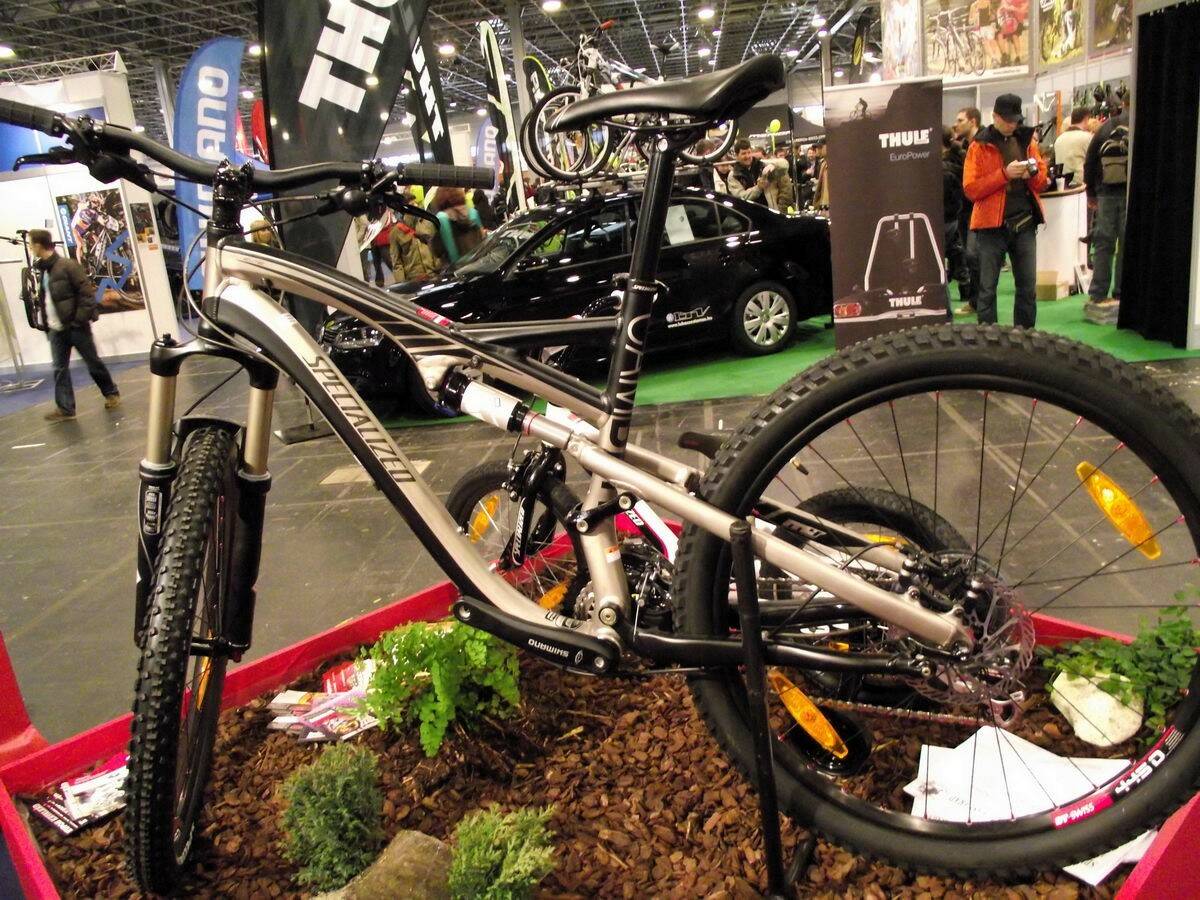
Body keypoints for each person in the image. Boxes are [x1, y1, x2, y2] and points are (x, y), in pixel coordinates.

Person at [962, 93, 1049, 328]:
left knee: (1027, 288)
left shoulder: (1028, 141)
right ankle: (988, 339)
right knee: (987, 289)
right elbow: (971, 189)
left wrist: (1032, 174)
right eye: (1008, 120)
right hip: (991, 228)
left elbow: (1042, 182)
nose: (1012, 125)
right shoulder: (978, 146)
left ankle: (1025, 337)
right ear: (995, 116)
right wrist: (1004, 175)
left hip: (1025, 224)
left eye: (1016, 120)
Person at [28, 228, 120, 421]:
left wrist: (78, 320)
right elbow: (46, 300)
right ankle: (65, 408)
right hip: (56, 329)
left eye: (31, 244)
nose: (29, 247)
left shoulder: (68, 266)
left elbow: (86, 295)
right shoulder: (44, 270)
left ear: (38, 245)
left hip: (75, 327)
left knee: (92, 362)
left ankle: (111, 393)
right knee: (59, 368)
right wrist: (47, 325)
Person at [1083, 90, 1130, 308]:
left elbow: (1090, 160)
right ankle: (1121, 292)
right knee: (1126, 243)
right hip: (1128, 192)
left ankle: (1097, 293)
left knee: (1103, 243)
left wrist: (1091, 192)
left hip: (1106, 192)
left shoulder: (1106, 126)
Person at [430, 187, 484, 268]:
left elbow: (449, 250)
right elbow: (483, 240)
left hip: (457, 270)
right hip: (478, 265)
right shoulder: (473, 212)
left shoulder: (442, 218)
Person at [1054, 107, 1093, 185]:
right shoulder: (1087, 137)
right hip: (1081, 185)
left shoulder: (1059, 139)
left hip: (1063, 185)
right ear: (1086, 119)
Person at [726, 138, 769, 204]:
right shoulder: (733, 175)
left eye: (749, 152)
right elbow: (741, 197)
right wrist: (758, 188)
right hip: (747, 209)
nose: (747, 156)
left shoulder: (762, 166)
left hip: (768, 208)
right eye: (743, 153)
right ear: (737, 155)